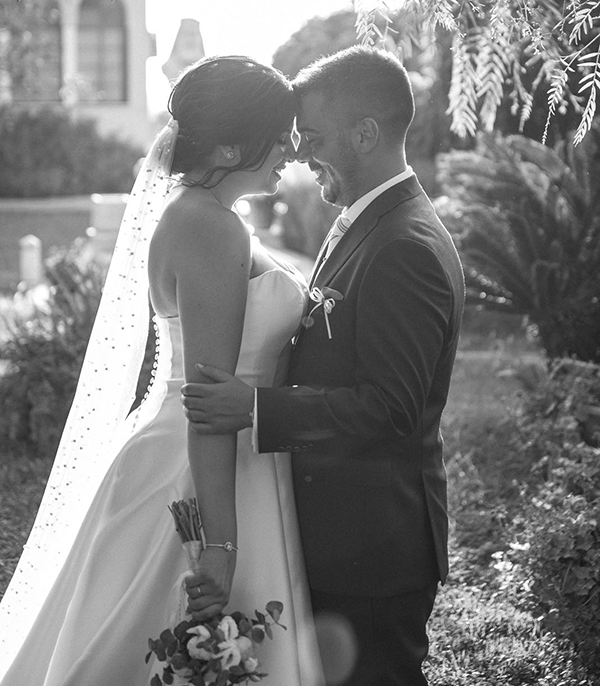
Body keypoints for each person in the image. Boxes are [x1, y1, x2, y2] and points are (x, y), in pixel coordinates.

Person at [0, 55, 324, 686]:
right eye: (279, 132)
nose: (291, 147)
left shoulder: (205, 214)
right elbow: (209, 399)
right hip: (201, 469)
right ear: (230, 145)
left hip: (225, 453)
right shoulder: (209, 228)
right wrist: (222, 548)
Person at [182, 45, 466, 686]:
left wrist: (255, 409)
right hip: (343, 532)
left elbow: (390, 409)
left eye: (311, 136)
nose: (301, 153)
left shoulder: (404, 247)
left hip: (374, 549)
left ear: (365, 133)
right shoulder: (365, 222)